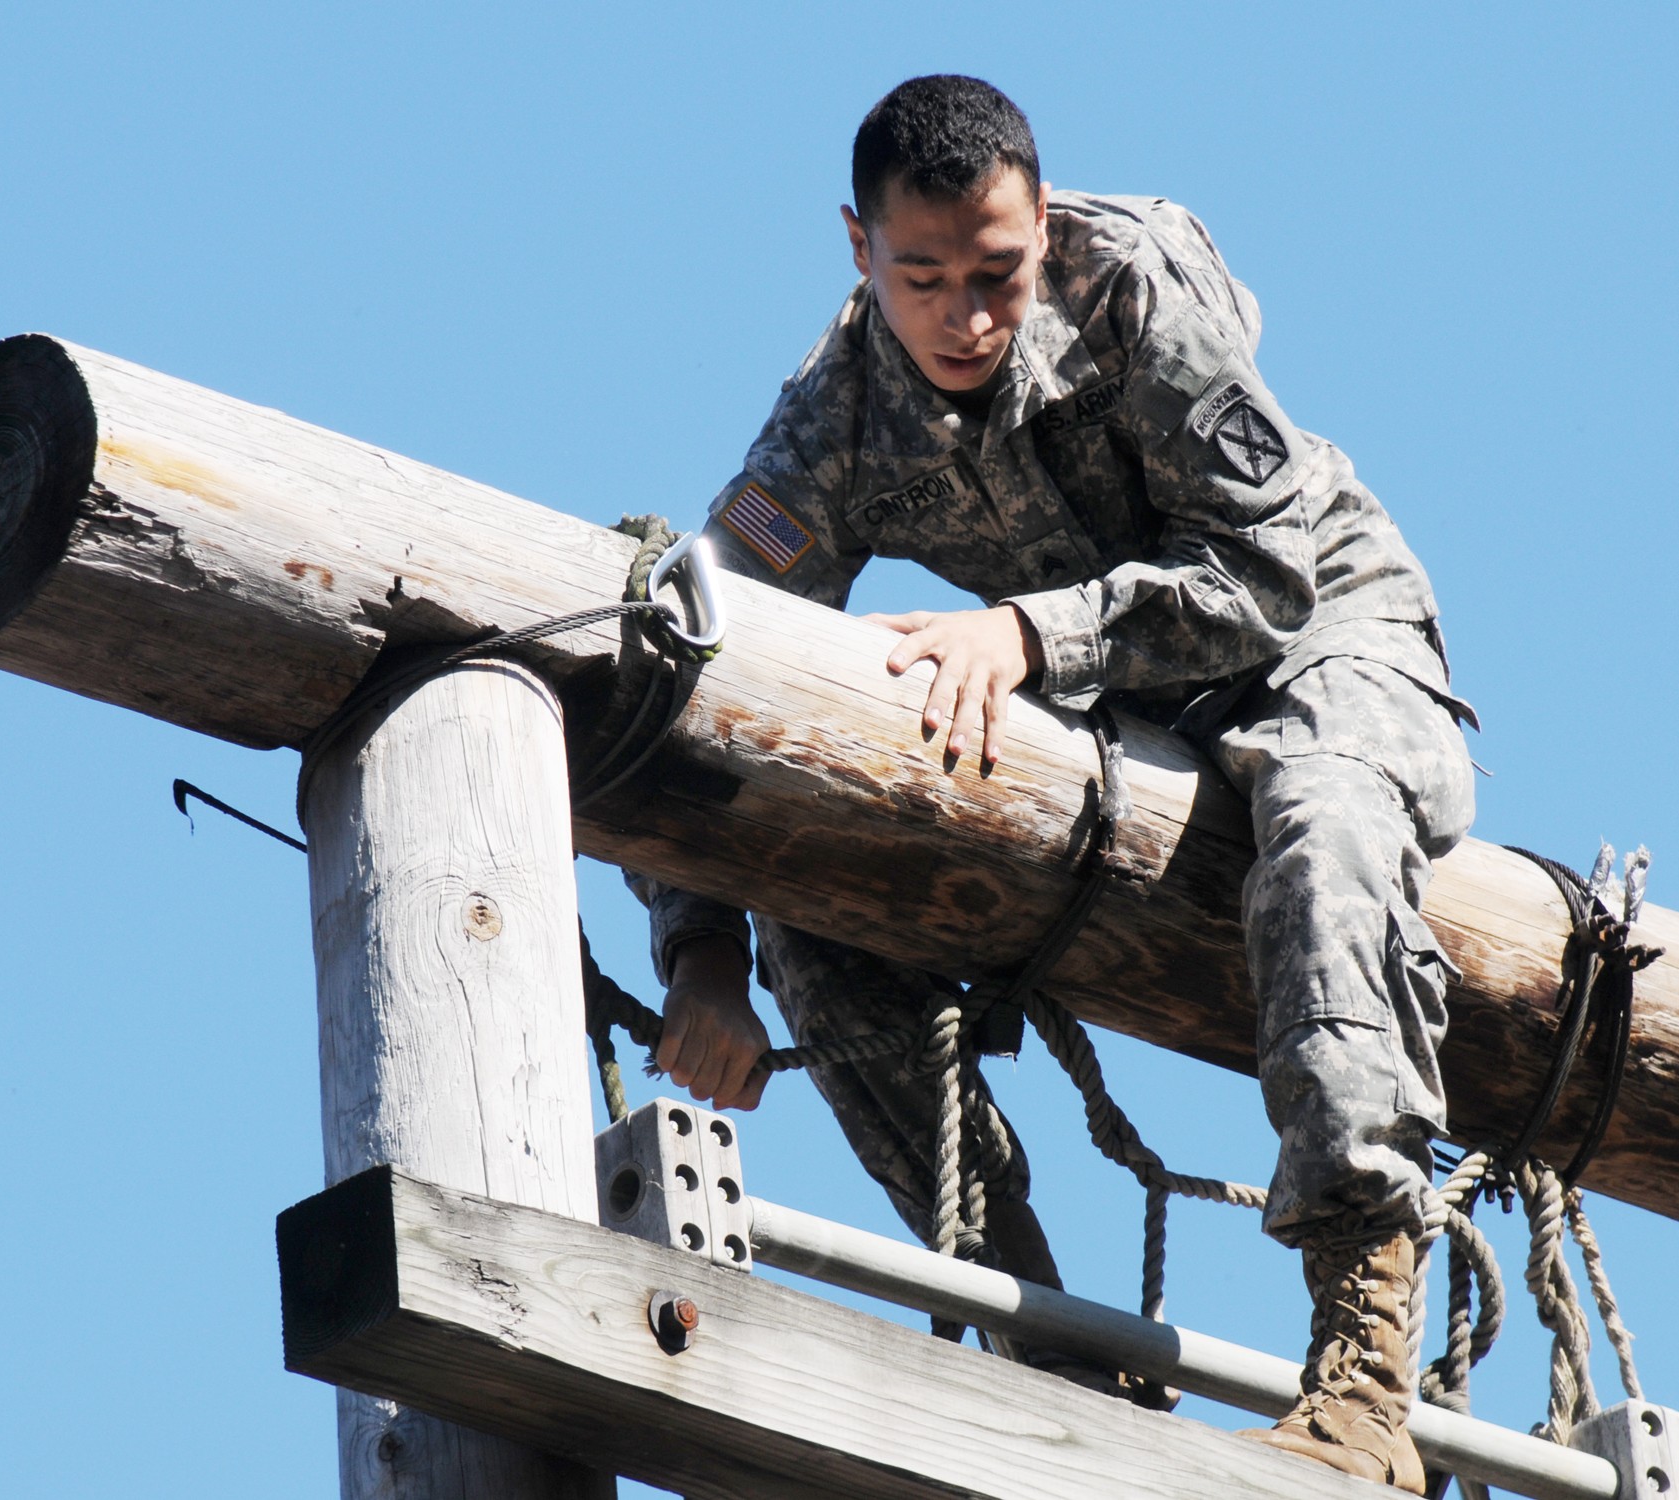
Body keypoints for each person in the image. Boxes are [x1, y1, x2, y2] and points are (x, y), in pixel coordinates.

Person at [629, 74, 1474, 1491]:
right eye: (923, 279)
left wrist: (1026, 633)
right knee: (816, 901)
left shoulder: (1133, 284)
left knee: (1322, 826)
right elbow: (704, 662)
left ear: (1041, 225)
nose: (965, 317)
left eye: (997, 275)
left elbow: (1263, 577)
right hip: (1095, 701)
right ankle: (1045, 1344)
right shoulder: (832, 419)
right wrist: (701, 951)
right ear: (856, 251)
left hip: (1317, 632)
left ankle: (1361, 1370)